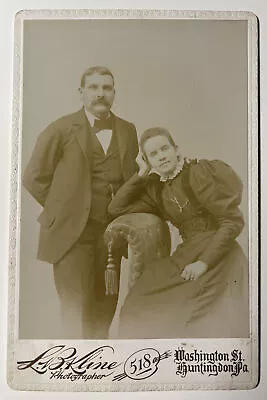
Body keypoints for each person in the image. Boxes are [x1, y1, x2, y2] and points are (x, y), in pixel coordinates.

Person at [23, 66, 139, 339]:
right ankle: (76, 371)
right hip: (71, 235)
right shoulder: (61, 128)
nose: (101, 94)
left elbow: (132, 178)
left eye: (107, 88)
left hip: (111, 235)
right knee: (76, 308)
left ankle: (99, 369)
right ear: (81, 92)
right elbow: (33, 177)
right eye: (94, 87)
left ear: (114, 93)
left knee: (104, 307)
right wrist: (64, 208)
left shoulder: (127, 130)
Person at [108, 127, 249, 338]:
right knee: (141, 300)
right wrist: (141, 174)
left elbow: (232, 222)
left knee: (197, 313)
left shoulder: (199, 173)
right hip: (186, 254)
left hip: (220, 254)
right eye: (153, 154)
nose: (162, 156)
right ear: (147, 161)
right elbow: (115, 208)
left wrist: (203, 263)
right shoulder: (156, 189)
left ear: (176, 149)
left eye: (165, 149)